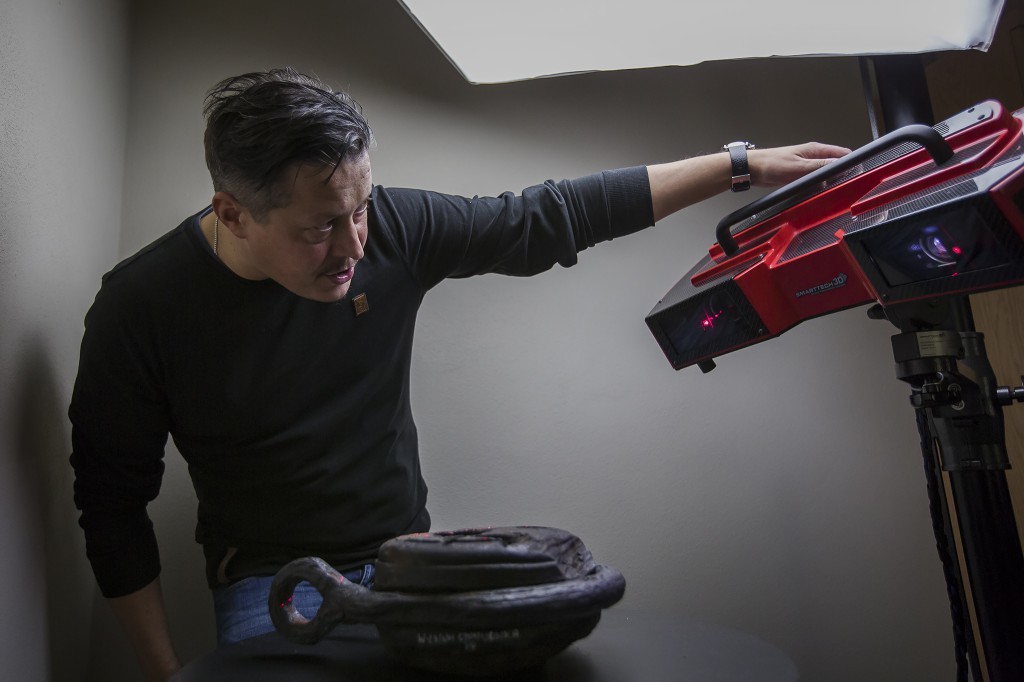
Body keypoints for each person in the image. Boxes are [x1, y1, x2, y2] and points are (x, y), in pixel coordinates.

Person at [69, 67, 850, 680]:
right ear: (233, 213)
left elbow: (544, 219)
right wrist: (169, 676)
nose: (355, 246)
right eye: (320, 228)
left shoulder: (390, 230)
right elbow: (111, 507)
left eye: (361, 208)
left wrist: (738, 166)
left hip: (407, 567)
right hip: (273, 583)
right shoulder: (141, 308)